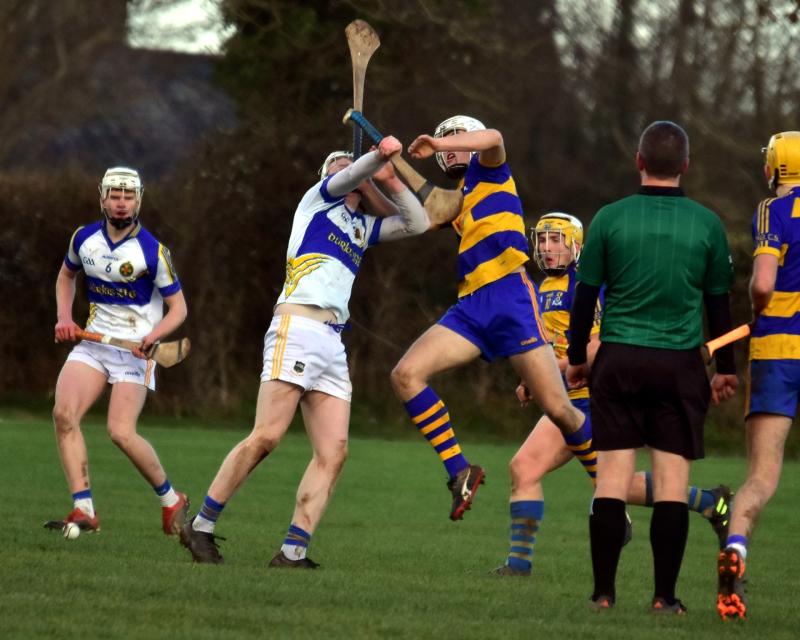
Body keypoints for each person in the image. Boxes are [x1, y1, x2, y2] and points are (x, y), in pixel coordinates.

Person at [180, 137, 430, 566]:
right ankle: (200, 526)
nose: (345, 170)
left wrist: (387, 176)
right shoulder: (314, 203)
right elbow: (348, 175)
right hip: (297, 328)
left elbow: (418, 222)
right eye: (337, 165)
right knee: (267, 436)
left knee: (334, 452)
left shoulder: (362, 228)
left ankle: (293, 551)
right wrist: (373, 159)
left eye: (351, 167)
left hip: (333, 342)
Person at [493, 212, 732, 577]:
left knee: (618, 485)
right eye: (542, 240)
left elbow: (597, 345)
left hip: (595, 400)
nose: (546, 247)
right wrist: (533, 378)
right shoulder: (541, 288)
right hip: (564, 402)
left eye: (556, 239)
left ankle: (709, 501)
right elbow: (548, 348)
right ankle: (518, 565)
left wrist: (549, 370)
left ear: (575, 245)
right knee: (523, 468)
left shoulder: (586, 285)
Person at [566, 121, 739, 614]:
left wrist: (578, 359)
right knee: (670, 485)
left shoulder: (608, 218)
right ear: (685, 166)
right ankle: (665, 597)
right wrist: (725, 366)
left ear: (638, 161)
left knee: (612, 480)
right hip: (680, 365)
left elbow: (584, 302)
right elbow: (719, 306)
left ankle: (603, 595)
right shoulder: (707, 224)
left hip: (618, 359)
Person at [390, 116, 596, 522]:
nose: (448, 149)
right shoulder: (460, 197)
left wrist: (432, 141)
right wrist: (390, 165)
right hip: (470, 308)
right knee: (405, 375)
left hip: (510, 299)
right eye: (444, 144)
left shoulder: (492, 170)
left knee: (560, 410)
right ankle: (460, 471)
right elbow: (430, 209)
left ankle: (606, 489)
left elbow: (496, 136)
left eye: (455, 140)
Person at [51, 166, 189, 535]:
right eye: (115, 196)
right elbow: (67, 277)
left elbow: (179, 308)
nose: (122, 204)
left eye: (129, 197)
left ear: (139, 200)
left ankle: (170, 499)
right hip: (95, 344)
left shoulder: (153, 251)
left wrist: (153, 336)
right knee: (64, 415)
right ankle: (84, 509)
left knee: (121, 432)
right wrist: (65, 316)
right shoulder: (84, 239)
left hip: (135, 351)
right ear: (102, 198)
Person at [717, 131, 800, 620]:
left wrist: (756, 305)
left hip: (776, 350)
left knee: (762, 476)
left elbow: (764, 281)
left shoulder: (773, 209)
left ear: (774, 167)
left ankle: (737, 547)